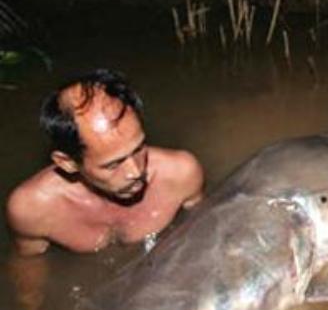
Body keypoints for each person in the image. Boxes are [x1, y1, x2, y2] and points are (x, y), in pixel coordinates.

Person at [5, 69, 204, 256]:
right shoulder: (31, 209)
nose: (135, 171)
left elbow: (206, 234)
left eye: (138, 148)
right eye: (113, 164)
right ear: (67, 162)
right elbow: (30, 268)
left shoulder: (181, 173)